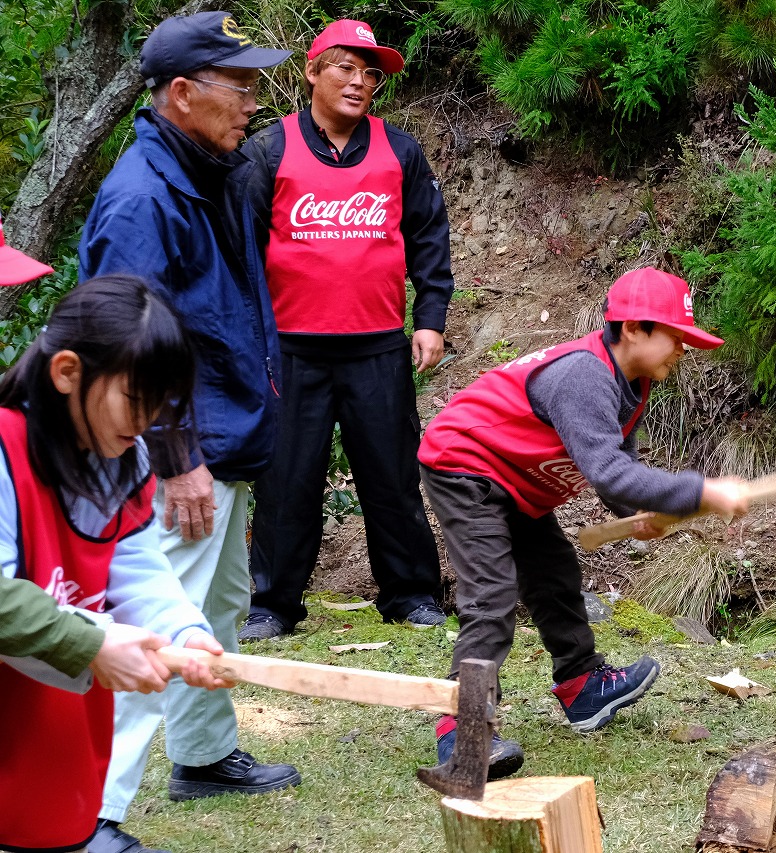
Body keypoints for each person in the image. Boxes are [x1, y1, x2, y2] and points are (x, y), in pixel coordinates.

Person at [76, 12, 298, 853]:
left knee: (218, 606)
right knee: (147, 625)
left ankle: (203, 754)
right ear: (181, 93)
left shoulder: (214, 174)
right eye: (237, 84)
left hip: (224, 437)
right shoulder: (143, 196)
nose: (252, 101)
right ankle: (91, 815)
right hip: (176, 449)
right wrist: (175, 458)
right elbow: (124, 345)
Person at [418, 266, 750, 776]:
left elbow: (620, 472)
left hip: (518, 479)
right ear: (635, 329)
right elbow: (610, 472)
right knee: (492, 595)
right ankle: (461, 732)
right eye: (677, 338)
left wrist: (638, 515)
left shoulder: (632, 384)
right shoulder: (583, 375)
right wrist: (698, 490)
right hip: (467, 467)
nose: (683, 350)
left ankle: (582, 687)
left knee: (555, 575)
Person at [233, 19, 453, 643]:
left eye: (371, 73)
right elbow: (241, 250)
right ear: (312, 72)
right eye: (346, 68)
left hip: (377, 344)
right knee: (287, 480)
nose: (360, 82)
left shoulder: (400, 151)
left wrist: (430, 317)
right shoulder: (268, 150)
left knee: (391, 476)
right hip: (291, 349)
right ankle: (273, 603)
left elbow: (429, 238)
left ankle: (411, 594)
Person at [0, 274, 234, 853]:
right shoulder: (5, 446)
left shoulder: (121, 458)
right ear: (67, 372)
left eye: (160, 403)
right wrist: (93, 644)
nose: (146, 419)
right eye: (135, 399)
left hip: (57, 729)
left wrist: (184, 630)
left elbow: (132, 556)